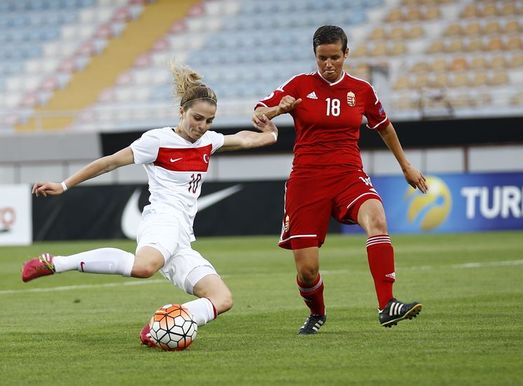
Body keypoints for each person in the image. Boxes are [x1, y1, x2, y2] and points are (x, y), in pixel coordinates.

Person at [21, 62, 279, 347]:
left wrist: (272, 134)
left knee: (222, 299)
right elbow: (109, 162)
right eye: (197, 118)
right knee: (144, 267)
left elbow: (243, 139)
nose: (202, 126)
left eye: (209, 121)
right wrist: (64, 184)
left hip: (182, 237)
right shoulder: (157, 141)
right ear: (181, 111)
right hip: (162, 219)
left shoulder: (208, 141)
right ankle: (55, 263)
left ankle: (160, 326)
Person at [253, 25, 428, 335]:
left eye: (335, 57)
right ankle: (317, 312)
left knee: (377, 218)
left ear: (346, 54)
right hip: (307, 181)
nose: (328, 64)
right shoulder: (299, 84)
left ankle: (387, 305)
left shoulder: (362, 90)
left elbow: (384, 127)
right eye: (322, 58)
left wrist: (406, 166)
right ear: (315, 56)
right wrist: (276, 110)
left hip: (349, 175)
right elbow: (260, 112)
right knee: (307, 272)